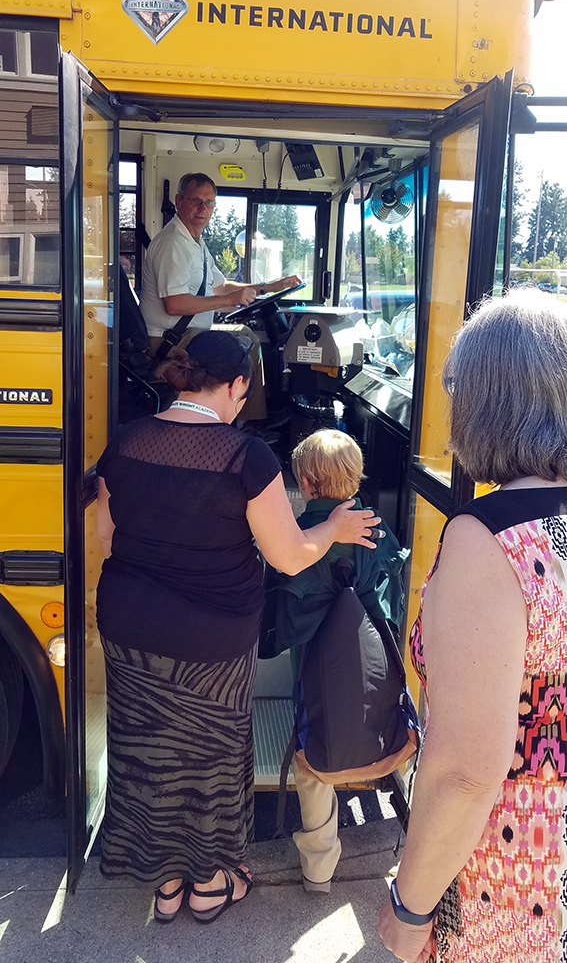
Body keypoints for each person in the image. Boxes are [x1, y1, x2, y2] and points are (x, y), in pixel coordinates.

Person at [95, 330, 380, 925]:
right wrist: (332, 531)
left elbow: (106, 539)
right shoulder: (244, 456)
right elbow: (288, 555)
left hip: (128, 625)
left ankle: (165, 885)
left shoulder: (124, 442)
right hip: (213, 635)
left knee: (149, 750)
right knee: (209, 756)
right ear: (239, 385)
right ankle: (207, 884)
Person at [378, 290, 567, 963]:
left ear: (483, 403)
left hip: (523, 875)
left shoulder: (489, 540)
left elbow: (465, 771)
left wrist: (410, 906)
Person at [262, 429, 409, 894]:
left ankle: (319, 872)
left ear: (305, 483)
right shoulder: (380, 532)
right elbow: (394, 605)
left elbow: (282, 622)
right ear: (357, 476)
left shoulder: (299, 539)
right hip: (374, 663)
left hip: (314, 664)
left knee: (314, 755)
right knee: (394, 733)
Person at [140, 171, 300, 422]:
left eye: (209, 202)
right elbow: (175, 304)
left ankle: (250, 419)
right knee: (243, 348)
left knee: (247, 337)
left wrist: (268, 286)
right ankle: (242, 425)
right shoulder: (173, 243)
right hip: (168, 340)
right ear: (179, 201)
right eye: (196, 200)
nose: (203, 208)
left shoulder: (194, 242)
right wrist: (230, 299)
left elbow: (221, 286)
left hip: (187, 334)